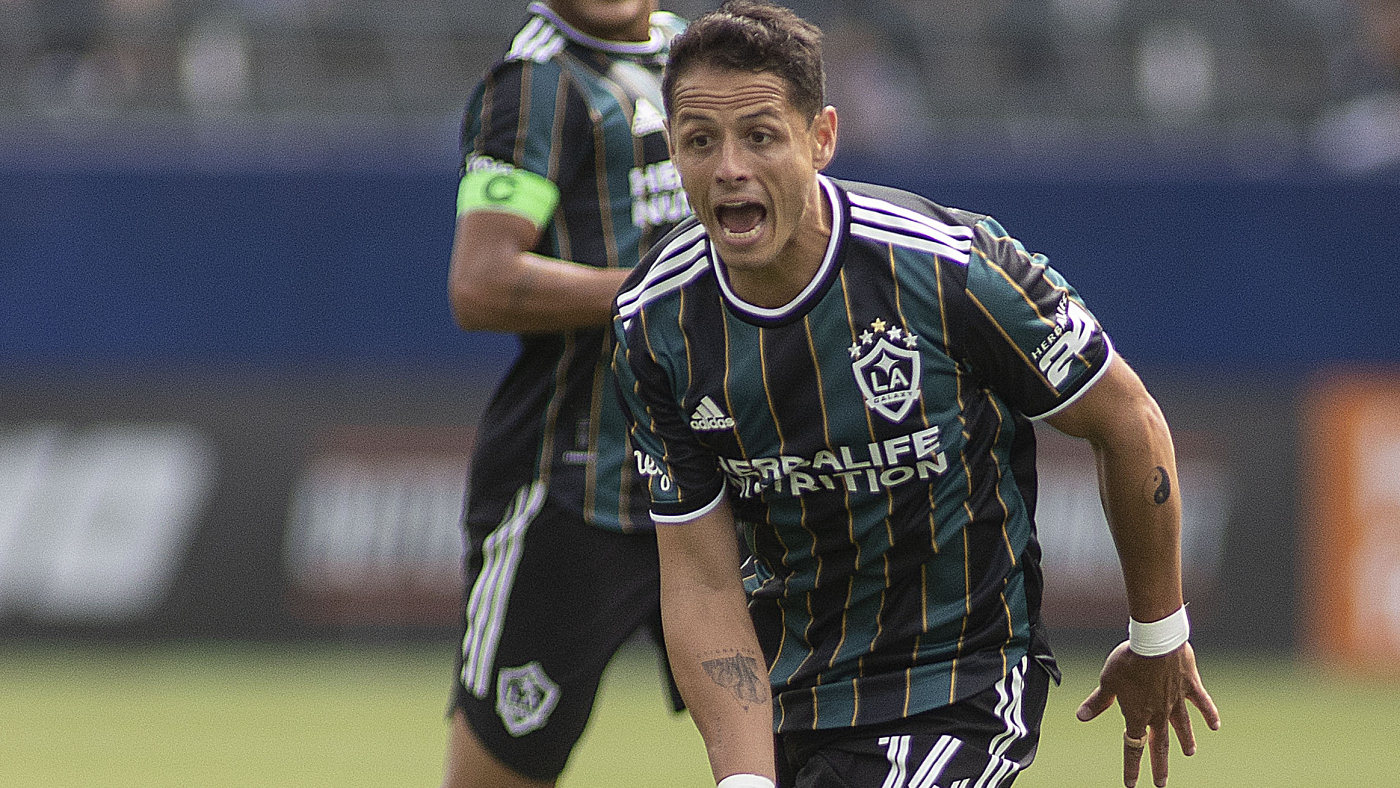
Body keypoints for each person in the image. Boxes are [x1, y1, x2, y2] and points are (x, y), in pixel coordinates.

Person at [610, 3, 1221, 787]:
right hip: (794, 699)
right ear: (673, 151)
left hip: (959, 682)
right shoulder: (654, 322)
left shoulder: (950, 268)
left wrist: (1159, 636)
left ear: (821, 138)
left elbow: (1127, 418)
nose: (729, 166)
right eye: (701, 141)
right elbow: (702, 580)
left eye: (760, 136)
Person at [442, 2, 690, 786]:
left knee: (800, 749)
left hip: (719, 482)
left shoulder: (694, 54)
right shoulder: (537, 84)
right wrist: (669, 289)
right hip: (577, 490)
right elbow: (481, 284)